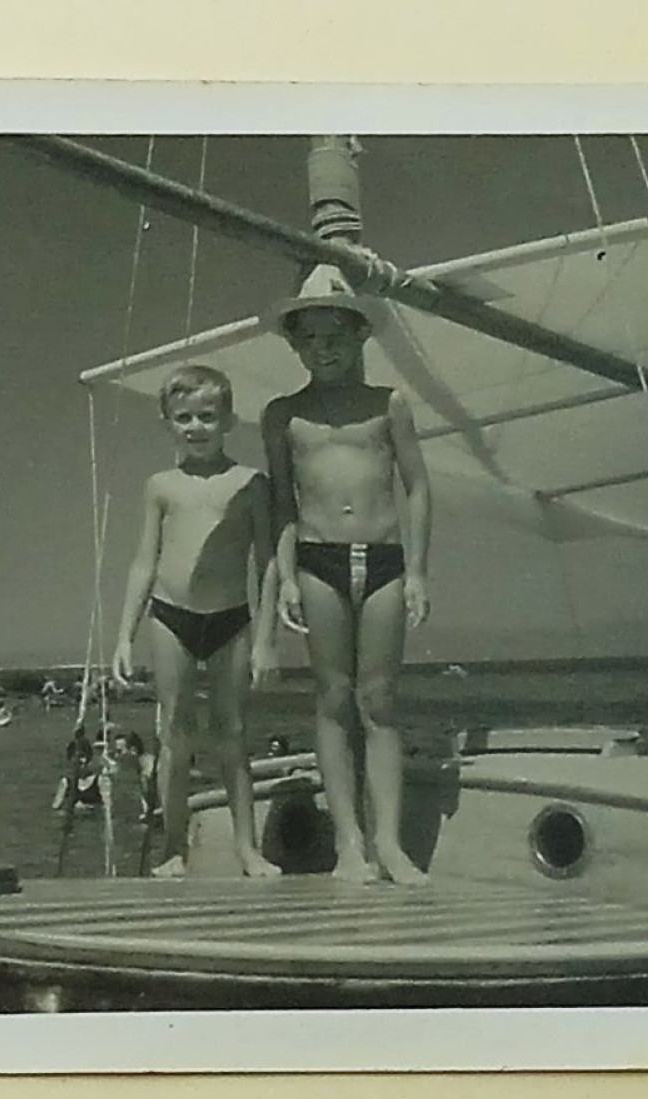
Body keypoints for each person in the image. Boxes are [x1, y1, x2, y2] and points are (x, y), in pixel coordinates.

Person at [260, 263, 432, 885]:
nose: (323, 348)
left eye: (335, 334)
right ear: (294, 343)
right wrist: (283, 578)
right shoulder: (283, 416)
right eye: (309, 337)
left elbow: (416, 486)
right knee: (333, 699)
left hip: (384, 560)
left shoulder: (390, 406)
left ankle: (389, 843)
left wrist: (417, 571)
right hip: (317, 562)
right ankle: (349, 847)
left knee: (379, 701)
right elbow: (282, 503)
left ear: (361, 334)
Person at [111, 364, 281, 880]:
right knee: (174, 735)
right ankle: (173, 849)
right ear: (167, 421)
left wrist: (267, 639)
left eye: (208, 416)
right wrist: (125, 633)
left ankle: (247, 849)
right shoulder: (160, 486)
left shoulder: (251, 485)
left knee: (233, 732)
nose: (196, 427)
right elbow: (145, 559)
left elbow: (267, 562)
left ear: (229, 419)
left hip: (231, 617)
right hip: (170, 617)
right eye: (184, 417)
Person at [51, 746, 106, 812]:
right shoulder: (66, 782)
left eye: (85, 764)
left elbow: (107, 806)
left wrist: (88, 807)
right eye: (80, 764)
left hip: (92, 817)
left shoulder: (99, 781)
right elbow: (55, 807)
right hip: (73, 817)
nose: (83, 767)